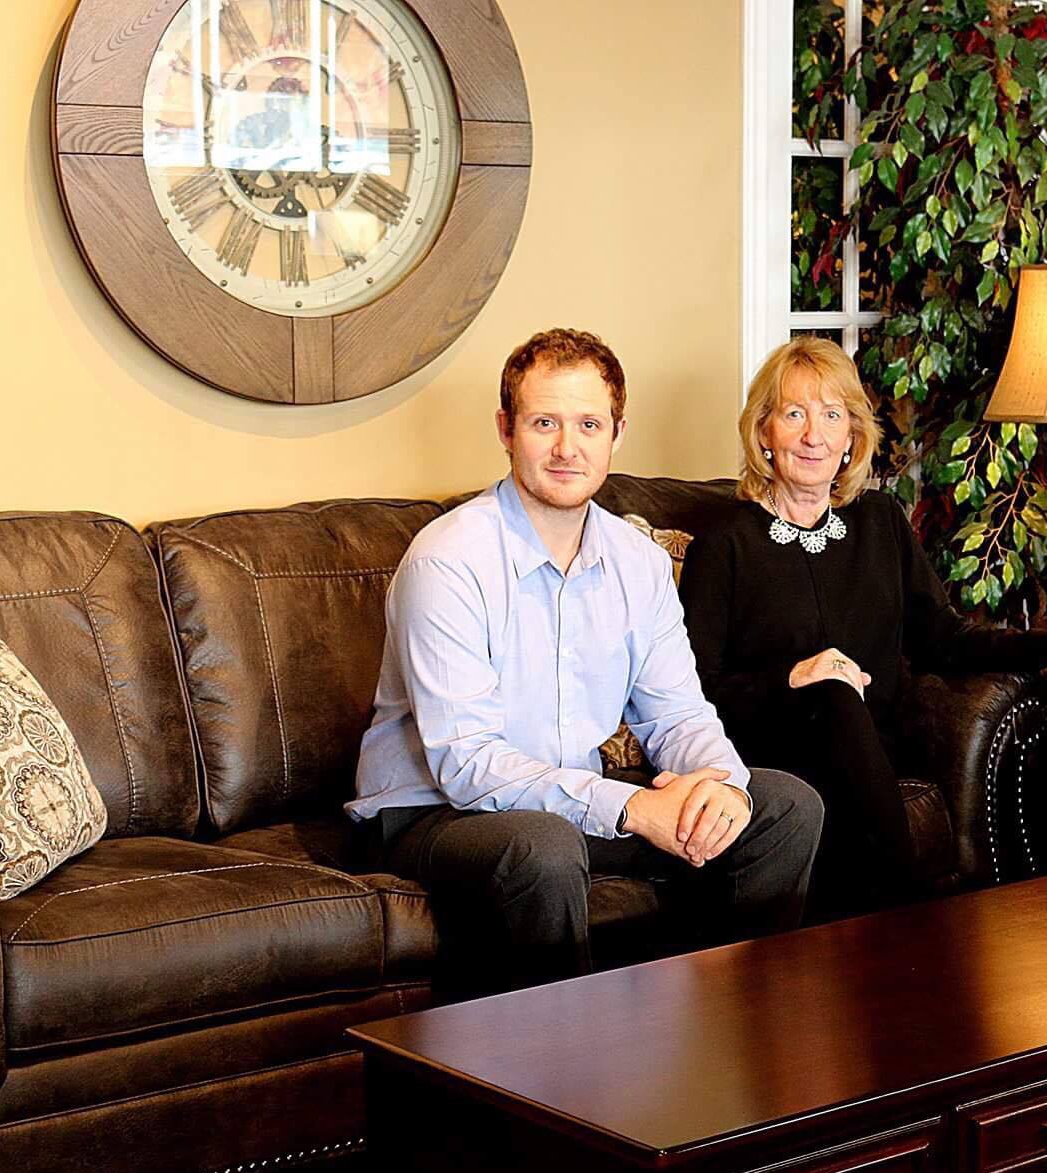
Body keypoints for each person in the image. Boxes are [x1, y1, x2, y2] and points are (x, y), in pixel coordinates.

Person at [349, 329, 825, 995]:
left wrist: (718, 786)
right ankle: (569, 1060)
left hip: (564, 802)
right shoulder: (447, 562)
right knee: (541, 848)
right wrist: (633, 808)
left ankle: (717, 1029)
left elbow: (677, 714)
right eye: (545, 423)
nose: (567, 448)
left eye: (589, 425)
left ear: (617, 434)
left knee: (781, 806)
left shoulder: (639, 563)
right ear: (507, 429)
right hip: (433, 813)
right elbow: (467, 765)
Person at [679, 336, 1047, 915]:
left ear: (852, 438)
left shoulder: (879, 522)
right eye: (794, 414)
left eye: (832, 416)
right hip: (771, 748)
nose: (814, 435)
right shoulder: (725, 543)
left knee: (849, 709)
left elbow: (947, 639)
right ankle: (912, 921)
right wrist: (794, 677)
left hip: (872, 750)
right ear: (764, 432)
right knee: (833, 692)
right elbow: (693, 689)